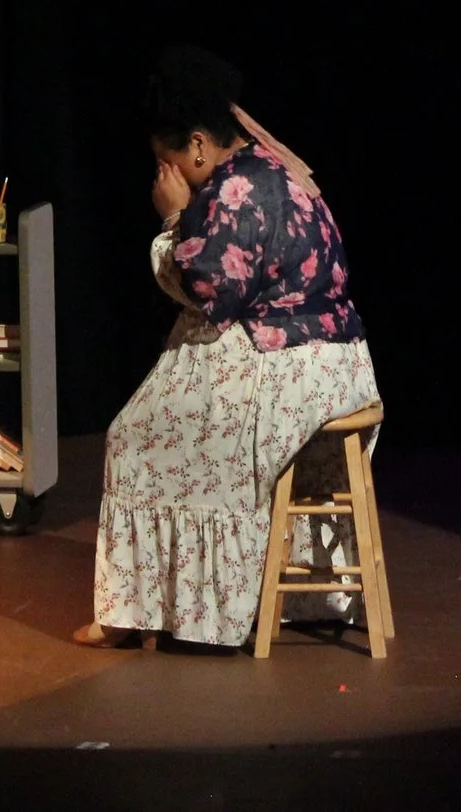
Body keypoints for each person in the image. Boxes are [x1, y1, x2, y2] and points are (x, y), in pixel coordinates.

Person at [83, 46, 380, 651]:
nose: (166, 176)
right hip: (336, 363)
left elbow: (210, 293)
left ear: (197, 144)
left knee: (133, 437)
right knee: (159, 420)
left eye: (168, 162)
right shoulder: (271, 166)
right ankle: (181, 602)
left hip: (291, 368)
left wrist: (173, 221)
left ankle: (143, 611)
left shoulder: (237, 188)